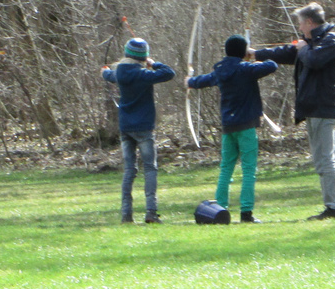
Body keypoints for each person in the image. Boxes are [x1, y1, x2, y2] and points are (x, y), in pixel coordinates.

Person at [255, 3, 335, 220]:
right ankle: (332, 206)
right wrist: (254, 53)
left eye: (301, 23)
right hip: (313, 109)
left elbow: (313, 60)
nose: (299, 27)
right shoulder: (309, 42)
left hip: (323, 107)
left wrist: (303, 48)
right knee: (321, 159)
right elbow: (286, 51)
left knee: (325, 159)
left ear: (310, 23)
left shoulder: (331, 40)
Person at [186, 34, 277, 223]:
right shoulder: (245, 69)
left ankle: (218, 211)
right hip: (246, 127)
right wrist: (255, 55)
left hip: (228, 126)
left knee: (226, 169)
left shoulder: (221, 70)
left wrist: (189, 81)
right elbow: (272, 65)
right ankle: (246, 213)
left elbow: (203, 80)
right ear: (243, 52)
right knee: (249, 169)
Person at [101, 38, 176, 223]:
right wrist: (153, 63)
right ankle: (151, 212)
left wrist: (104, 72)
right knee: (150, 168)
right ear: (142, 57)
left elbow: (108, 75)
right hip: (143, 127)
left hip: (125, 127)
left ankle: (126, 214)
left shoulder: (119, 73)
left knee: (129, 170)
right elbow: (169, 73)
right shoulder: (143, 74)